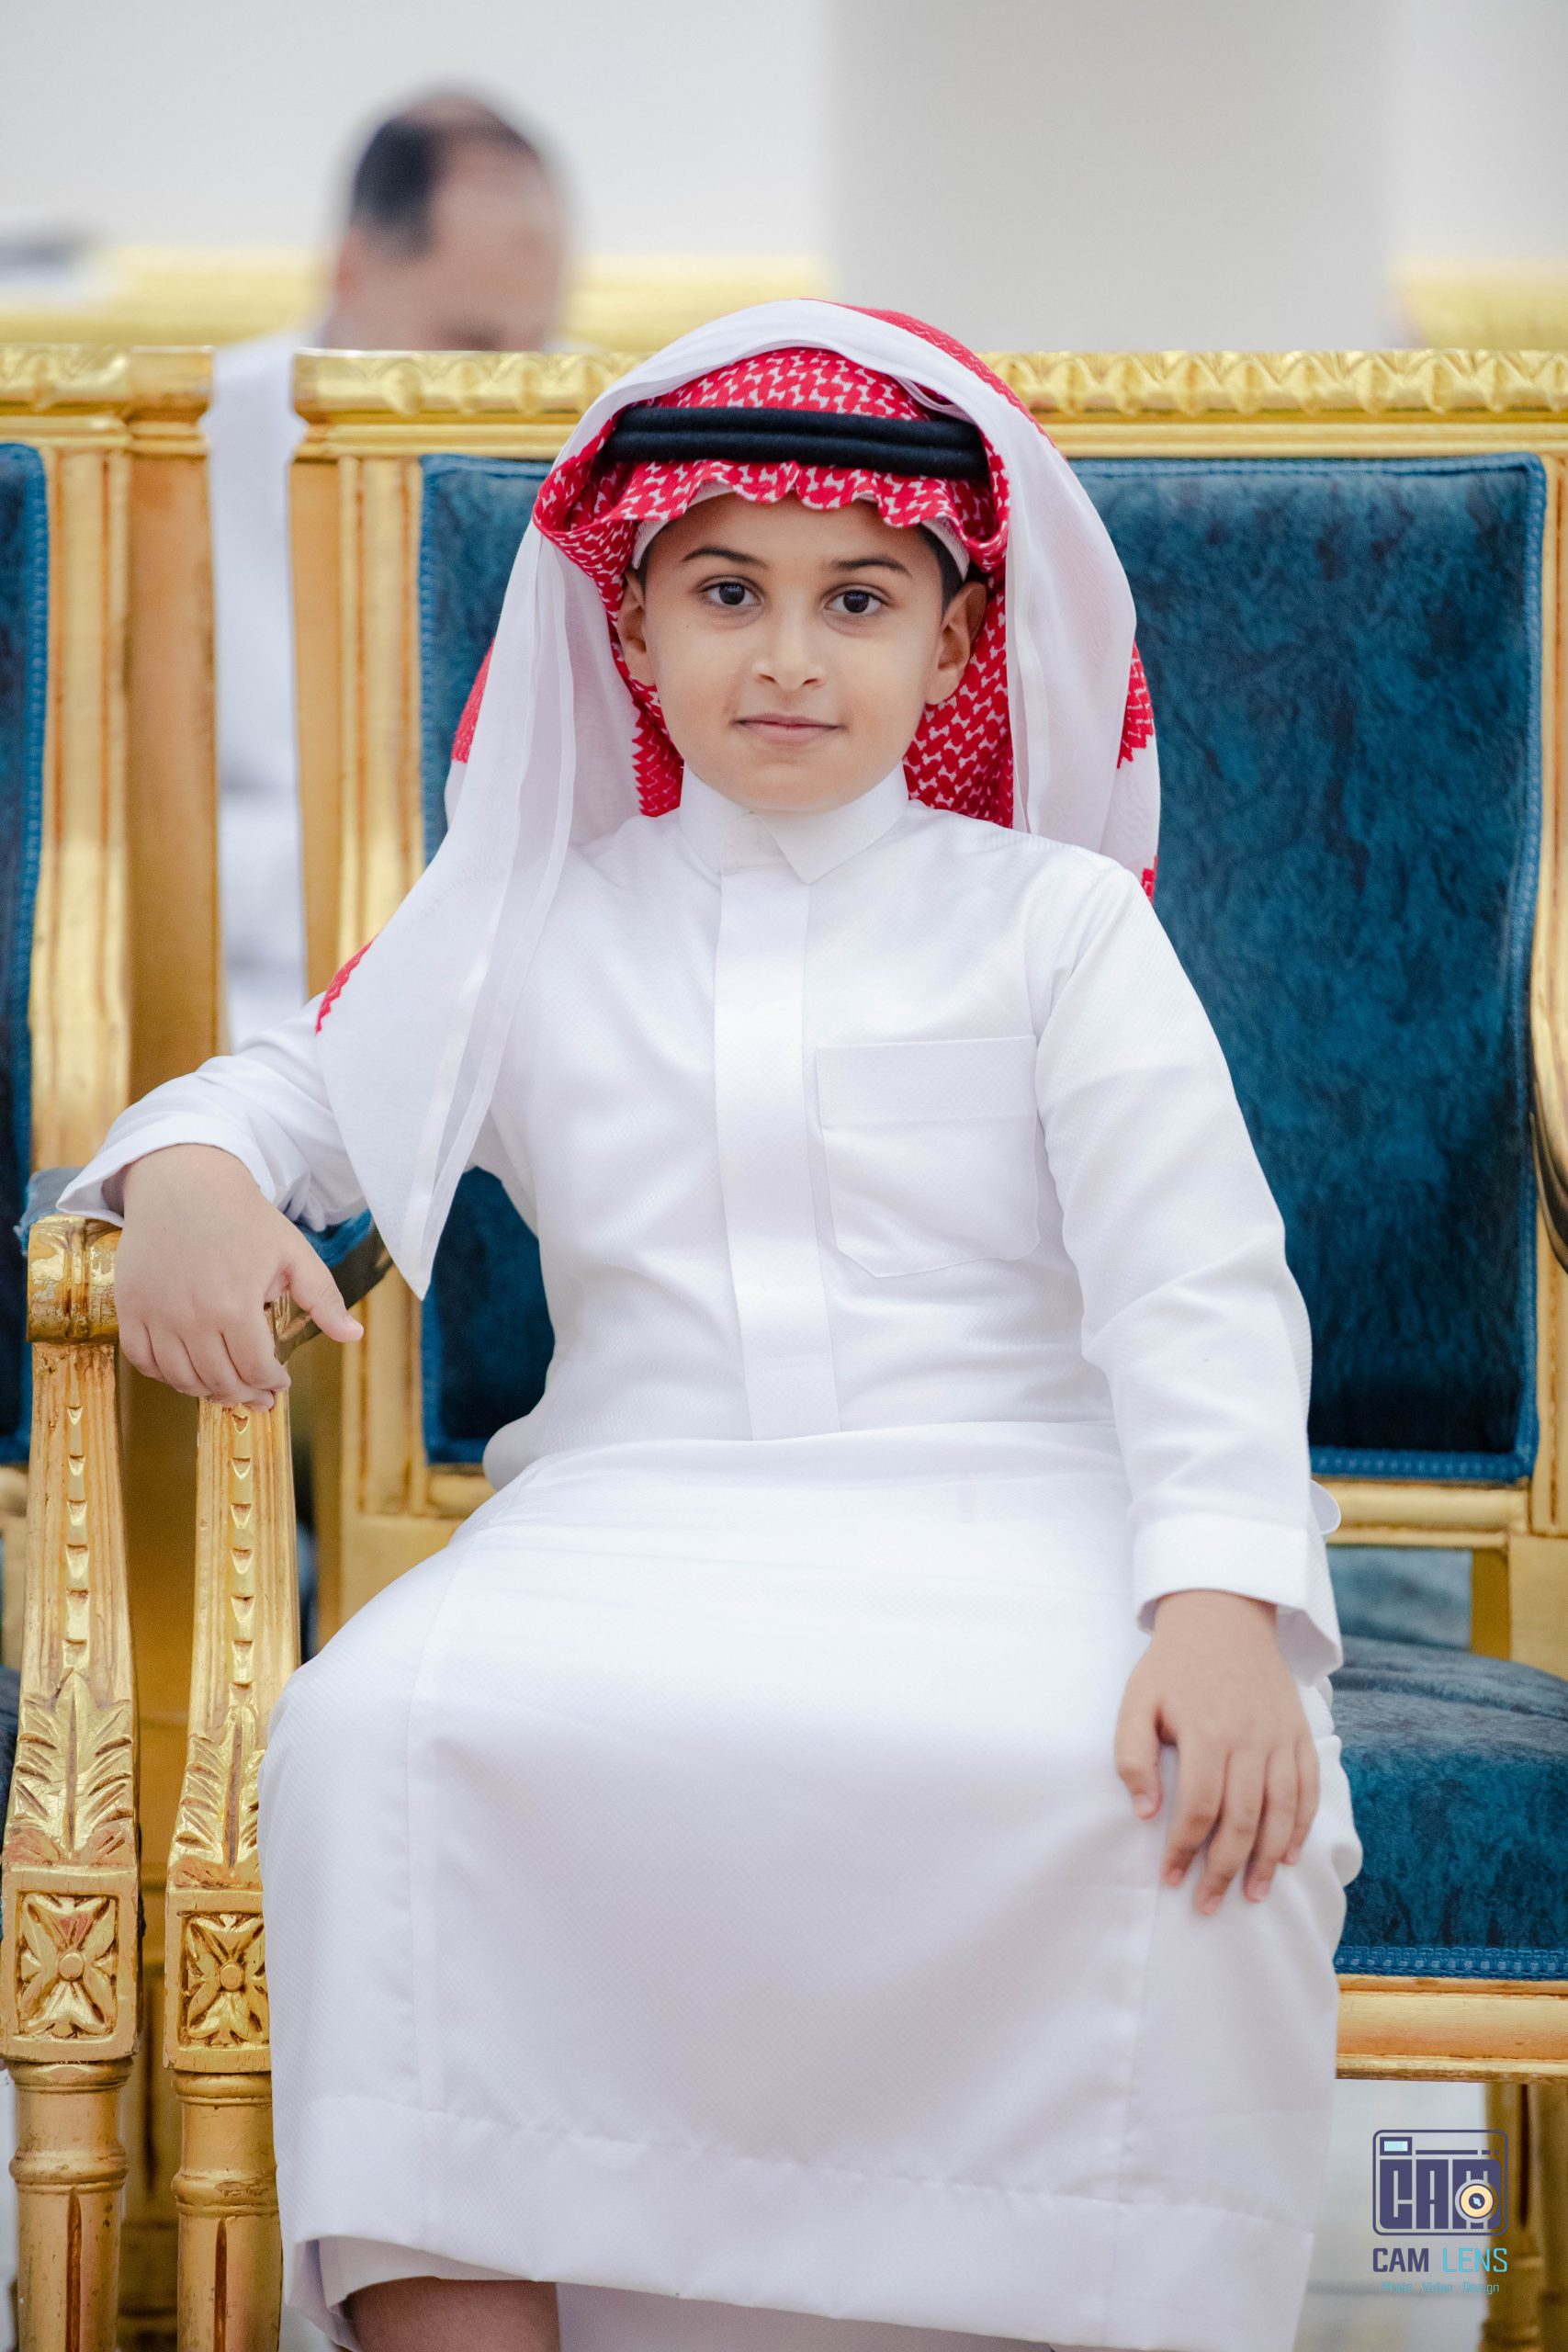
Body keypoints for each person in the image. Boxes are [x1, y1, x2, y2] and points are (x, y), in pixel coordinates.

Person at [63, 302, 1363, 2352]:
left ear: (954, 643)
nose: (785, 655)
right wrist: (191, 1175)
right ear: (632, 625)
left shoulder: (1054, 926)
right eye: (726, 591)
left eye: (856, 599)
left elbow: (1192, 1277)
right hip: (628, 1515)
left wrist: (1215, 1601)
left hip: (1020, 1517)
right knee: (379, 1734)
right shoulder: (533, 925)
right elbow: (284, 1090)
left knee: (1151, 1795)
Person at [209, 92, 569, 1049]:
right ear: (352, 268)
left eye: (536, 347)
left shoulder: (585, 427)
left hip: (532, 980)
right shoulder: (183, 446)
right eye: (470, 349)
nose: (512, 394)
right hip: (241, 985)